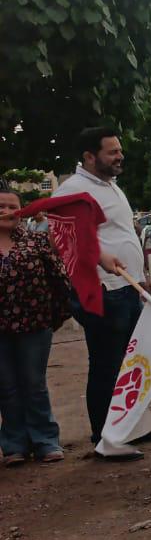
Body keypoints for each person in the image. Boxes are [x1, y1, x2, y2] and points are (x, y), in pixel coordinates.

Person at [51, 126, 149, 462]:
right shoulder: (73, 191)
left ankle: (130, 426)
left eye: (119, 150)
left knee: (130, 363)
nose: (119, 156)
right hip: (104, 292)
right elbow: (64, 242)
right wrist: (99, 259)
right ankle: (105, 438)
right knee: (107, 366)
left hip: (129, 288)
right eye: (111, 152)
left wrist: (141, 277)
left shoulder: (111, 186)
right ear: (89, 157)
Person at [0, 182, 71, 466]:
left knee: (34, 383)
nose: (6, 211)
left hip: (35, 323)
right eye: (1, 207)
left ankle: (45, 440)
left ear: (22, 211)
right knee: (6, 387)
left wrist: (53, 317)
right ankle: (14, 444)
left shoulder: (36, 241)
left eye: (12, 207)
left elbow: (59, 281)